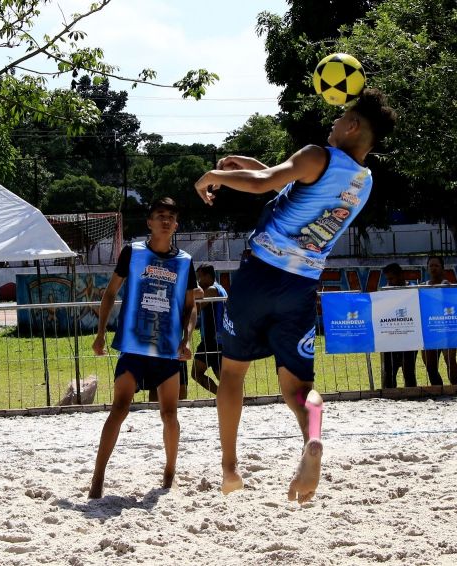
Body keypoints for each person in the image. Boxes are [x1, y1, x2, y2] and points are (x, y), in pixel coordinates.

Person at [194, 88, 397, 502]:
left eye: (341, 118)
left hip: (260, 275)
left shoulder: (316, 154)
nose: (333, 124)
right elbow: (286, 185)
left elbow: (266, 183)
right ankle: (313, 438)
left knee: (232, 373)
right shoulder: (364, 180)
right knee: (299, 389)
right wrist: (247, 165)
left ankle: (230, 468)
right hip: (302, 284)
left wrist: (214, 176)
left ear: (354, 126)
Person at [89, 197, 198, 499]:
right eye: (160, 215)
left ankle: (170, 472)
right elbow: (110, 294)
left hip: (167, 351)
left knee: (169, 414)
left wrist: (187, 341)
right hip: (134, 348)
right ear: (149, 222)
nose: (166, 220)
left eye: (171, 217)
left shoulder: (185, 261)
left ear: (176, 225)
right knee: (119, 409)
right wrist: (100, 334)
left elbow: (191, 307)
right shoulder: (132, 253)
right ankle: (97, 479)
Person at [420, 255, 457, 385]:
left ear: (442, 268)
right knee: (430, 366)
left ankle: (456, 388)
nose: (433, 268)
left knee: (450, 361)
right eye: (431, 265)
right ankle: (438, 389)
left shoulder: (448, 286)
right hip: (429, 329)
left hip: (447, 329)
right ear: (427, 268)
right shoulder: (422, 287)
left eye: (436, 265)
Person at [191, 264, 227, 394]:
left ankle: (222, 397)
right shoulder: (220, 288)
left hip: (212, 340)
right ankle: (224, 398)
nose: (198, 282)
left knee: (196, 373)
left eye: (199, 278)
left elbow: (196, 308)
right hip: (217, 340)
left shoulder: (212, 290)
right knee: (222, 378)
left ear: (207, 276)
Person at [379, 263, 417, 388]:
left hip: (410, 336)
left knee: (409, 370)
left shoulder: (413, 290)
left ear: (401, 276)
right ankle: (389, 397)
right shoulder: (384, 292)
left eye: (391, 278)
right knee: (389, 371)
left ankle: (412, 397)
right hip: (390, 337)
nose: (389, 282)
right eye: (387, 279)